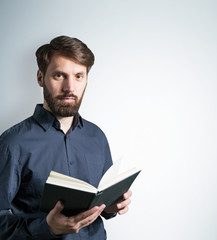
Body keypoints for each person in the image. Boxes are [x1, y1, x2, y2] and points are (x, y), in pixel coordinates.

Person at [0, 36, 133, 239]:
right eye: (59, 76)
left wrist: (111, 206)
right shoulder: (13, 143)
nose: (70, 87)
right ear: (40, 77)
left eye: (79, 76)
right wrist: (46, 227)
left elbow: (103, 203)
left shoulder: (97, 137)